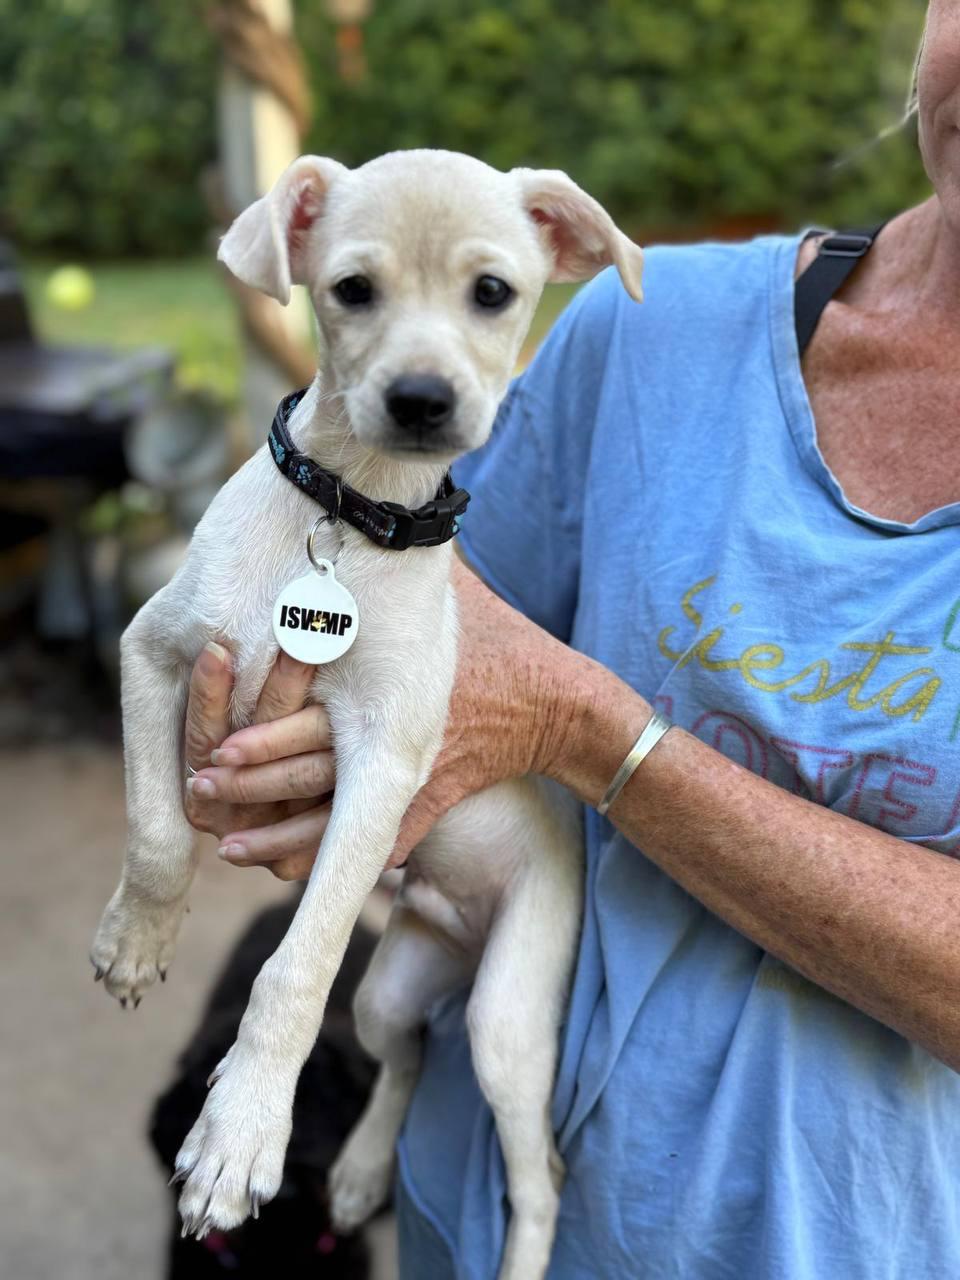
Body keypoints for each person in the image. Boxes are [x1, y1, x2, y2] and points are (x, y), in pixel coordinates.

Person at [181, 5, 960, 1275]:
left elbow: (526, 698)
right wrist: (280, 731)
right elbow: (420, 656)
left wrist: (596, 735)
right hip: (477, 1206)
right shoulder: (650, 328)